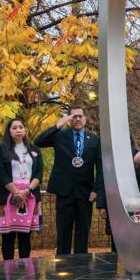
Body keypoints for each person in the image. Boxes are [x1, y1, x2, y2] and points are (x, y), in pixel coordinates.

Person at [35, 106, 103, 255]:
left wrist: (96, 189)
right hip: (64, 191)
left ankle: (81, 264)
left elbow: (100, 167)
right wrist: (58, 125)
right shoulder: (60, 136)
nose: (77, 119)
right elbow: (38, 141)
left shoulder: (95, 140)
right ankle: (63, 264)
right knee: (63, 230)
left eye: (80, 116)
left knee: (83, 231)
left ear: (85, 119)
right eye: (73, 117)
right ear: (69, 120)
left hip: (86, 192)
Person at [0, 118, 44, 260]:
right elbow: (2, 174)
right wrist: (16, 192)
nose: (18, 130)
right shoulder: (1, 149)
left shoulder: (34, 150)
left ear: (25, 130)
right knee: (8, 237)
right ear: (8, 131)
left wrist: (26, 191)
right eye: (14, 127)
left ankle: (24, 271)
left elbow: (39, 173)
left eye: (21, 127)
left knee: (25, 236)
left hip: (30, 195)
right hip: (8, 193)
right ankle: (7, 270)